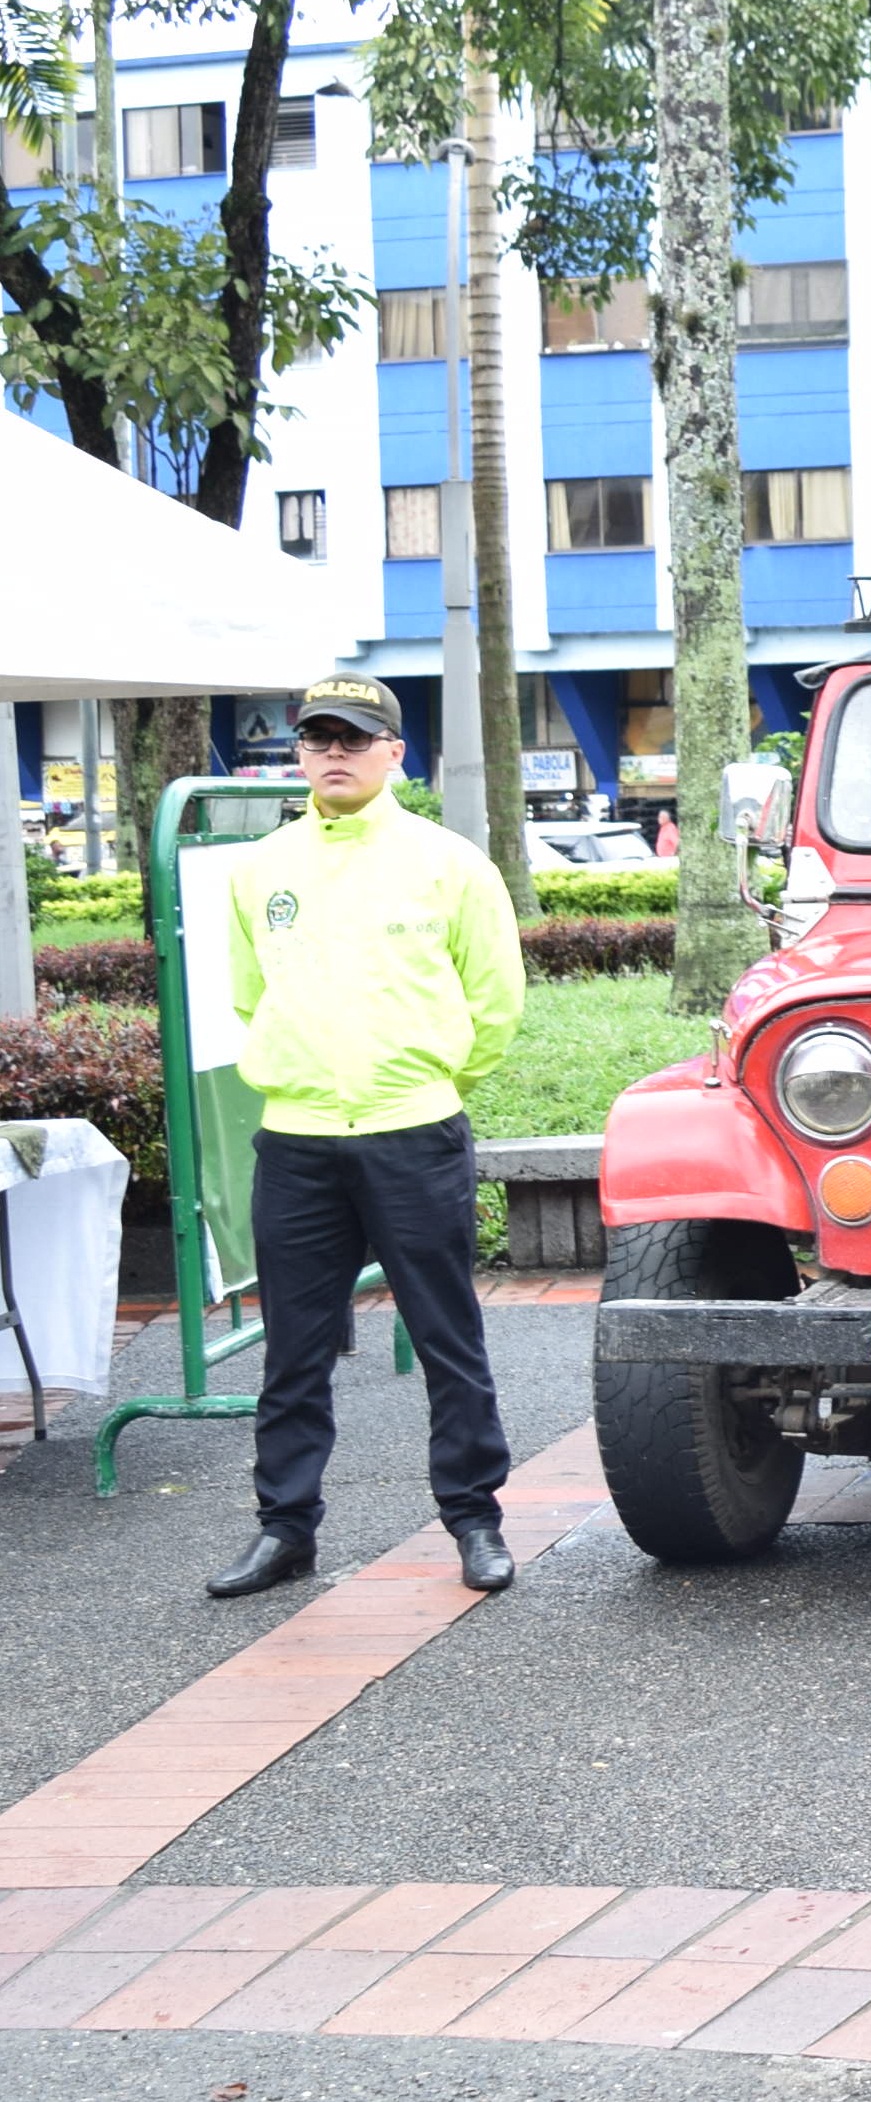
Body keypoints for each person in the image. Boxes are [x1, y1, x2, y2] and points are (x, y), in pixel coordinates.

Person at [204, 674, 528, 1600]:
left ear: (395, 753)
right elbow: (247, 996)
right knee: (293, 1349)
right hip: (297, 1141)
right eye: (318, 739)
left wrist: (424, 1083)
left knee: (447, 1337)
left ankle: (474, 1519)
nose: (334, 754)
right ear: (298, 754)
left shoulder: (451, 862)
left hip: (413, 1131)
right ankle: (285, 1528)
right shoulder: (259, 869)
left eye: (355, 738)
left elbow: (495, 1004)